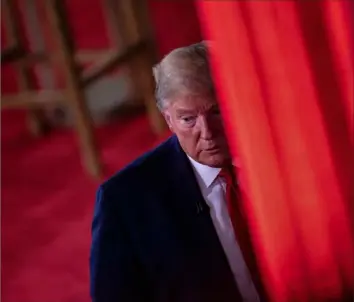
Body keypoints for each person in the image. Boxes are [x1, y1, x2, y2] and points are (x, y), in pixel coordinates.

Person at [90, 42, 266, 302]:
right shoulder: (125, 202)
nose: (207, 133)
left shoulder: (284, 155)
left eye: (217, 112)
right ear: (168, 119)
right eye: (188, 119)